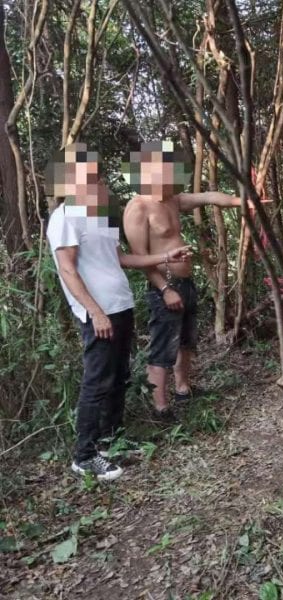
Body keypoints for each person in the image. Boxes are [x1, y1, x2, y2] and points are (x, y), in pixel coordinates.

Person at [46, 143, 192, 481]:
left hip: (120, 305)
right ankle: (84, 456)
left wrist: (164, 259)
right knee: (97, 382)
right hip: (99, 313)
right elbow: (68, 270)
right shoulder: (64, 218)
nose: (100, 182)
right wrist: (95, 312)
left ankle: (112, 442)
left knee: (118, 378)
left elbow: (121, 259)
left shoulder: (98, 217)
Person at [122, 141, 243, 419]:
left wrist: (241, 201)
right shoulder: (138, 208)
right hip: (164, 288)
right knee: (163, 347)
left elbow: (210, 197)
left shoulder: (173, 199)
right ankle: (161, 408)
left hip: (186, 285)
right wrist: (165, 290)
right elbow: (139, 259)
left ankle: (183, 388)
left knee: (186, 342)